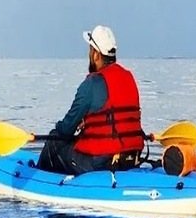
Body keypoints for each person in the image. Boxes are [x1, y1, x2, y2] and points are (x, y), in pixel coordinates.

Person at [37, 25, 147, 175]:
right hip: (130, 158)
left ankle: (39, 180)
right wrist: (88, 121)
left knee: (54, 140)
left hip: (101, 163)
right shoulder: (129, 78)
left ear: (96, 54)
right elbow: (115, 117)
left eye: (90, 50)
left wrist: (65, 126)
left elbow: (66, 130)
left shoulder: (91, 84)